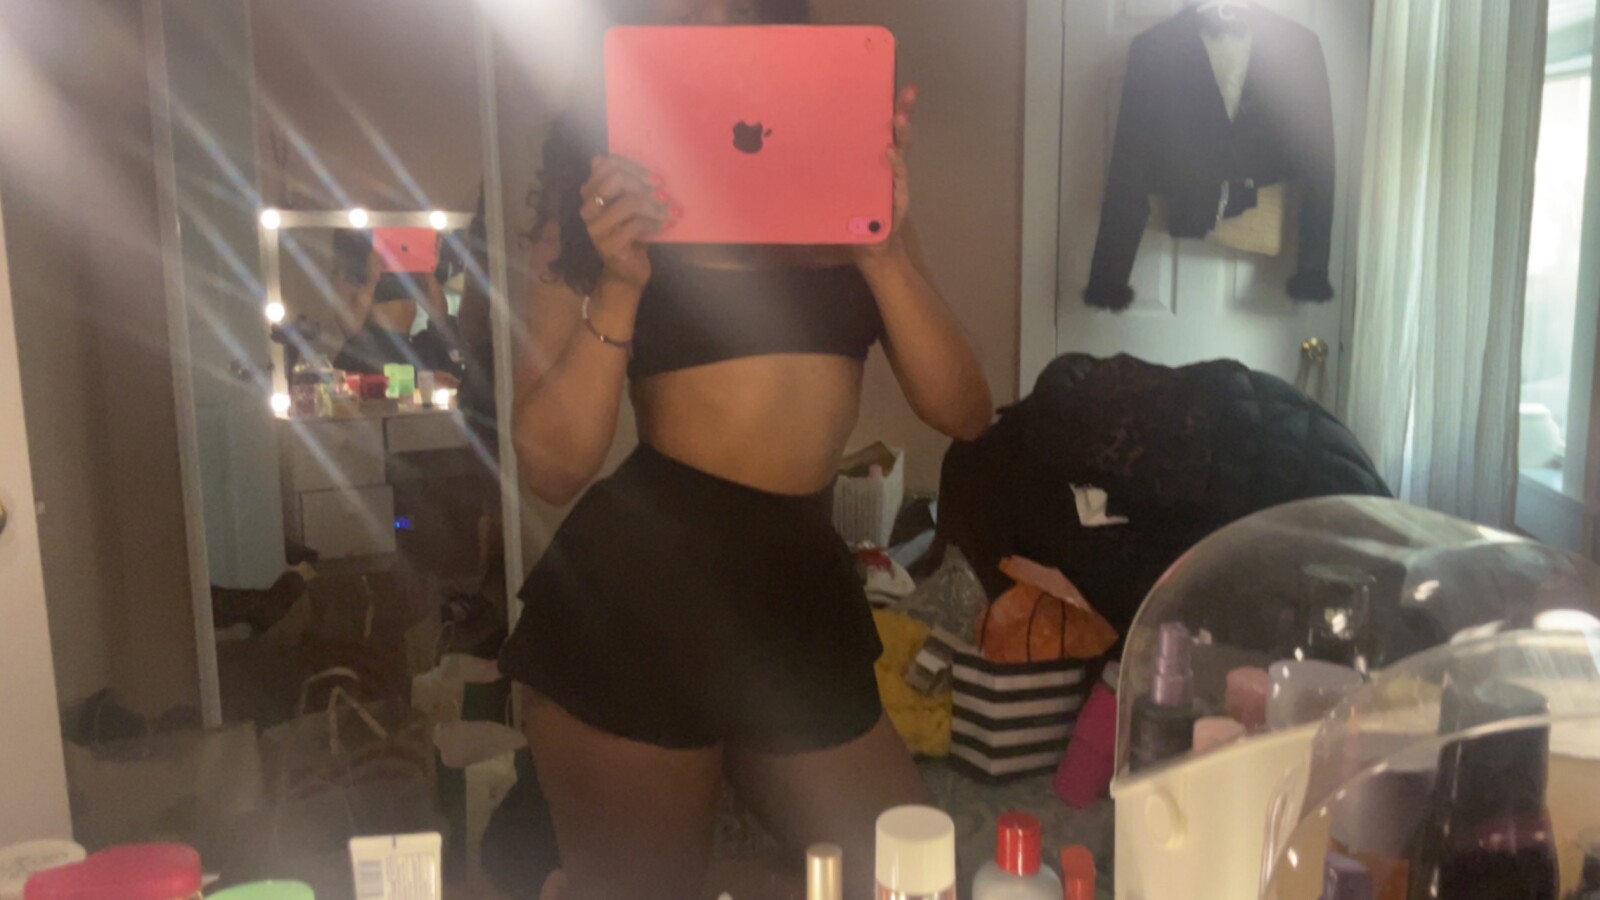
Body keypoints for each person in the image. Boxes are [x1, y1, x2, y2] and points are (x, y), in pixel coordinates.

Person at [496, 1, 993, 897]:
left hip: (796, 583)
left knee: (910, 881)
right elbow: (550, 467)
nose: (716, 30)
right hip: (643, 591)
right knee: (648, 894)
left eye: (740, 11)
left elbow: (964, 413)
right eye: (687, 14)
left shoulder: (845, 194)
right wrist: (620, 285)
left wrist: (880, 253)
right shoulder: (597, 207)